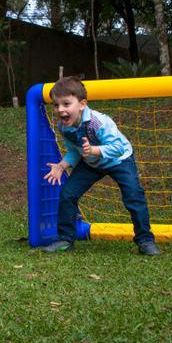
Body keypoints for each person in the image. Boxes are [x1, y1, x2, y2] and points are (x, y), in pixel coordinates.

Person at [41, 76, 160, 256]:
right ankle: (65, 239)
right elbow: (74, 150)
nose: (60, 110)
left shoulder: (99, 122)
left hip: (119, 160)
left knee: (133, 196)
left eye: (66, 104)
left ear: (82, 104)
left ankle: (145, 240)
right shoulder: (64, 126)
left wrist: (94, 150)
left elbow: (119, 148)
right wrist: (62, 165)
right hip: (91, 163)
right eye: (56, 105)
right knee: (67, 194)